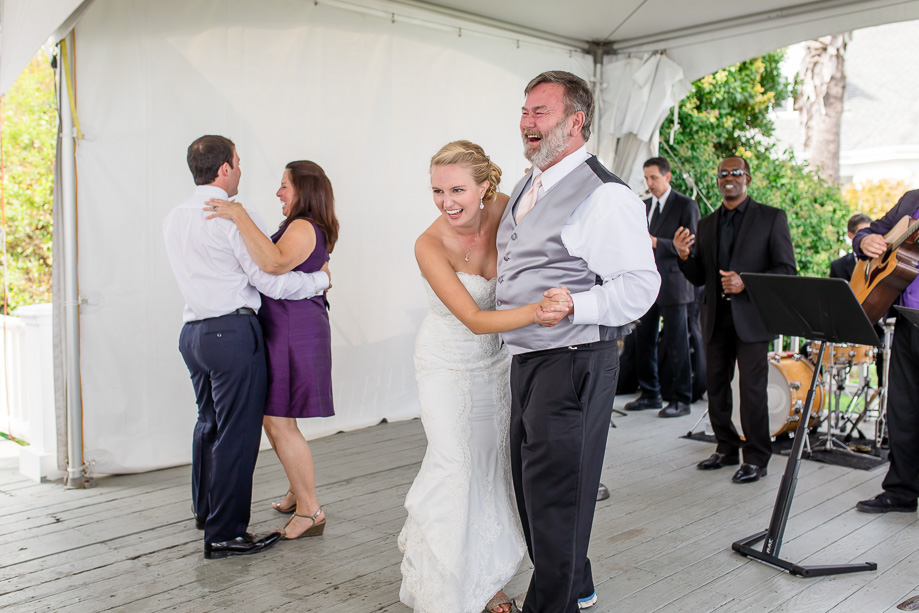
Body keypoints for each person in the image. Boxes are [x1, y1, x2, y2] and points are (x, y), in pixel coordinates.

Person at [497, 71, 660, 612]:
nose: (528, 122)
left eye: (540, 112)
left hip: (573, 360)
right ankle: (578, 582)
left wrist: (578, 305)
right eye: (525, 112)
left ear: (576, 120)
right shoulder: (528, 183)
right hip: (528, 360)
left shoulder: (606, 195)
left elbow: (641, 285)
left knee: (556, 497)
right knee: (536, 492)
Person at [398, 140, 571, 613]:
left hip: (494, 363)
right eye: (437, 191)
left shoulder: (508, 211)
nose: (447, 202)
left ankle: (487, 579)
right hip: (445, 362)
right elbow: (473, 317)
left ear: (486, 187)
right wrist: (538, 312)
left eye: (457, 189)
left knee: (491, 468)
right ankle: (447, 586)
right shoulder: (429, 243)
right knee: (454, 465)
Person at [163, 135, 330, 559]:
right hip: (231, 335)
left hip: (193, 336)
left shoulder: (174, 217)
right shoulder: (234, 217)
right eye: (237, 162)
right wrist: (320, 281)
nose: (241, 169)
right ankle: (225, 533)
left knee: (209, 425)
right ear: (223, 169)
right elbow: (269, 277)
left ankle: (206, 512)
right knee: (237, 435)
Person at [206, 161, 340, 540]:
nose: (279, 193)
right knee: (274, 417)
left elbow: (272, 262)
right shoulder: (302, 225)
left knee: (279, 420)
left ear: (305, 189)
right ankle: (299, 490)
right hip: (286, 326)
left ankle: (310, 510)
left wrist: (238, 213)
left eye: (285, 186)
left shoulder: (301, 225)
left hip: (292, 331)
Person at [673, 156, 796, 484]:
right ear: (718, 180)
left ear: (748, 178)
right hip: (715, 318)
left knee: (752, 390)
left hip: (752, 319)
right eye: (723, 173)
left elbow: (786, 270)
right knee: (715, 388)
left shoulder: (771, 218)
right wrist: (684, 256)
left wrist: (746, 282)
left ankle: (756, 457)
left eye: (736, 173)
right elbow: (699, 276)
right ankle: (726, 448)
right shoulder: (708, 223)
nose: (729, 178)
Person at [853, 190, 919, 514]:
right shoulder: (911, 201)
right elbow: (870, 230)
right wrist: (864, 242)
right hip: (908, 323)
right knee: (902, 413)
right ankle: (901, 492)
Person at [624, 157, 701, 418]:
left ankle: (682, 399)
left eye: (654, 178)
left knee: (678, 343)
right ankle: (650, 394)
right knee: (643, 341)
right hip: (645, 284)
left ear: (667, 177)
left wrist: (657, 242)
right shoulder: (642, 205)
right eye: (646, 178)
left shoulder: (686, 205)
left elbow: (689, 245)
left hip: (675, 283)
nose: (649, 183)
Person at [829, 213, 872, 280]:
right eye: (861, 234)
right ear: (850, 235)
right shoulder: (838, 266)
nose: (868, 237)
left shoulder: (885, 259)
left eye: (871, 232)